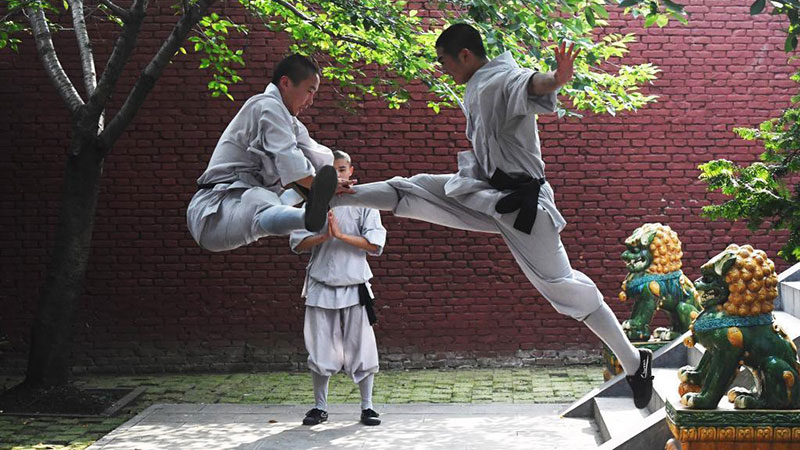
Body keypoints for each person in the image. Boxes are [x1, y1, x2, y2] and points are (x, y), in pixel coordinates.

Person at [332, 23, 653, 408]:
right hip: (484, 192)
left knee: (561, 286)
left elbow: (530, 83)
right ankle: (336, 199)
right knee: (414, 188)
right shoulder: (477, 84)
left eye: (444, 61)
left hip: (523, 207)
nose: (443, 69)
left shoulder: (501, 77)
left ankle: (635, 362)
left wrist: (558, 78)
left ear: (465, 55)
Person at [186, 54, 339, 252]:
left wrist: (333, 186)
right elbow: (293, 165)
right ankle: (306, 218)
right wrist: (320, 186)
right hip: (213, 213)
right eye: (309, 91)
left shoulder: (290, 122)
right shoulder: (267, 106)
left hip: (244, 205)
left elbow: (317, 156)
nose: (310, 101)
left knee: (279, 196)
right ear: (285, 83)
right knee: (262, 199)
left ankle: (309, 212)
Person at [290, 150, 386, 426]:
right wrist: (323, 236)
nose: (339, 175)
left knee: (362, 348)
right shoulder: (311, 201)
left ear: (350, 171)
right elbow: (297, 243)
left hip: (355, 284)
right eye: (332, 171)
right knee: (320, 348)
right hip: (321, 285)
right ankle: (320, 407)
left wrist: (341, 236)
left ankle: (367, 407)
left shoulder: (365, 202)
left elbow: (375, 244)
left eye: (342, 169)